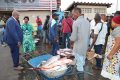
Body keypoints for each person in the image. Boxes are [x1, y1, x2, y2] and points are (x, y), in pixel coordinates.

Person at [70, 8, 90, 79]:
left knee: (79, 65)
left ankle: (81, 78)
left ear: (77, 13)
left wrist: (71, 42)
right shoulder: (87, 22)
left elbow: (73, 37)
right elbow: (88, 35)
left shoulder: (76, 22)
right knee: (82, 62)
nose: (72, 16)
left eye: (73, 14)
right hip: (85, 46)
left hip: (78, 47)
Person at [101, 16, 120, 80]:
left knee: (114, 70)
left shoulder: (118, 30)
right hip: (114, 54)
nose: (111, 22)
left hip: (115, 55)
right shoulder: (117, 29)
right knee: (112, 70)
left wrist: (111, 54)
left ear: (116, 22)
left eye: (112, 21)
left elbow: (118, 43)